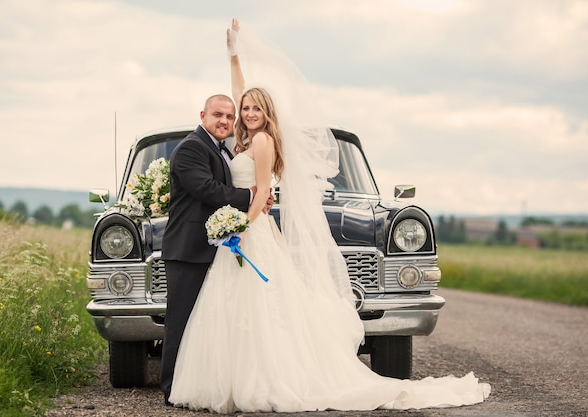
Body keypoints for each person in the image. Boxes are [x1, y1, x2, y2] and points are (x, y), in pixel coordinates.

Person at [167, 19, 491, 412]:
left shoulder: (264, 140)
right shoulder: (242, 136)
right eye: (244, 109)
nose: (246, 112)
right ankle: (233, 377)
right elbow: (240, 98)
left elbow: (264, 192)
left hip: (250, 229)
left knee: (258, 311)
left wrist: (242, 224)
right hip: (242, 230)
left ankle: (263, 379)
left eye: (254, 108)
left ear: (266, 112)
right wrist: (234, 56)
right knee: (241, 312)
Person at [159, 94, 257, 405]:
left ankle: (197, 383)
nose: (225, 121)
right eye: (218, 115)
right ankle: (172, 386)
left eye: (230, 117)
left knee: (202, 321)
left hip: (209, 248)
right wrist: (251, 195)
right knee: (181, 321)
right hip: (187, 250)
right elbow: (206, 189)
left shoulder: (219, 148)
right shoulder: (192, 147)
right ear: (203, 115)